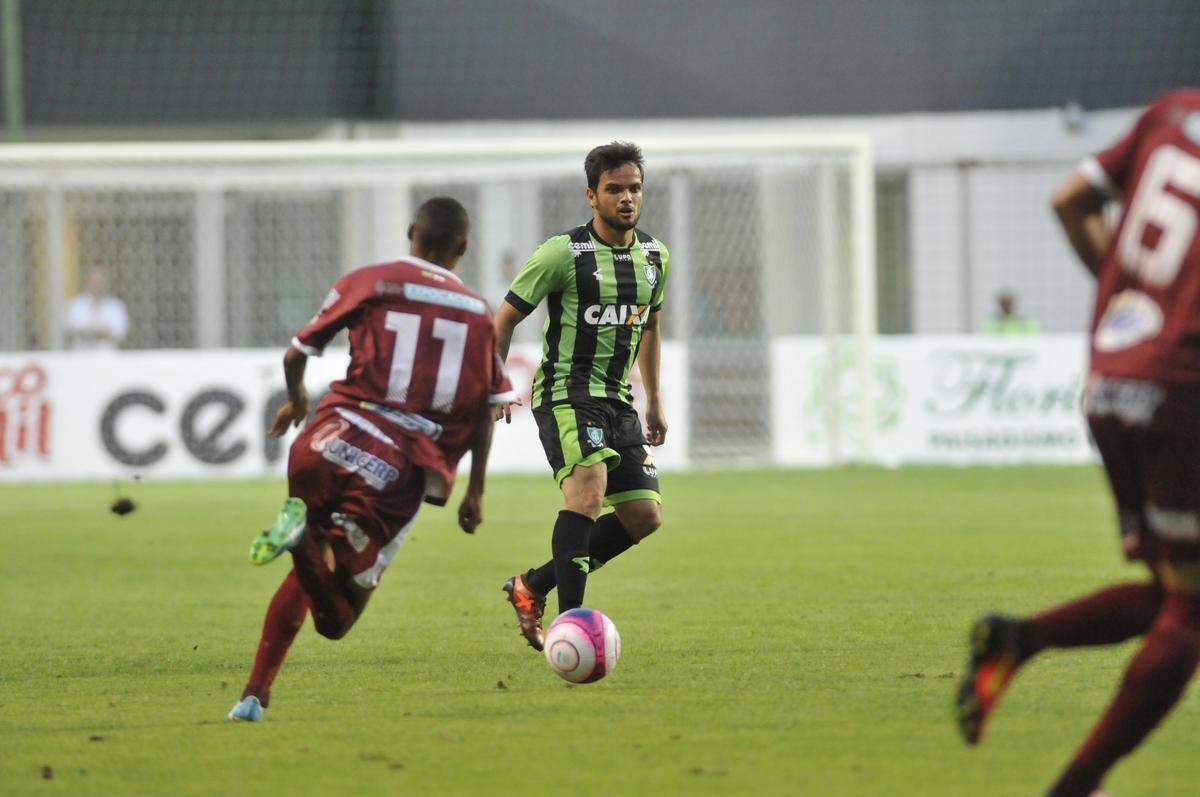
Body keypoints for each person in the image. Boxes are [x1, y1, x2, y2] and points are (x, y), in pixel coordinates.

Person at [956, 89, 1200, 796]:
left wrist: (1142, 313)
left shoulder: (1170, 112)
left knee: (1175, 590)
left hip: (1113, 380)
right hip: (1184, 393)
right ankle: (1076, 786)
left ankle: (1017, 637)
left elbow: (1070, 199)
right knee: (1189, 608)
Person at [228, 197, 514, 722]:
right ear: (464, 247)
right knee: (337, 619)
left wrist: (296, 399)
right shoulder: (476, 313)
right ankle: (300, 541)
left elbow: (297, 354)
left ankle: (254, 693)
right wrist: (475, 490)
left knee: (312, 565)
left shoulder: (371, 279)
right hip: (393, 468)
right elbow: (483, 411)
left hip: (323, 439)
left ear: (411, 232)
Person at [494, 141, 670, 651]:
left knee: (644, 517)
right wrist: (495, 382)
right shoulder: (563, 254)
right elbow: (504, 320)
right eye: (614, 190)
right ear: (591, 196)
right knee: (587, 494)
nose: (627, 199)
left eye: (634, 188)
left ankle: (532, 585)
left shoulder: (655, 256)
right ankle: (573, 629)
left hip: (618, 401)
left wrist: (654, 400)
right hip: (567, 394)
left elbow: (651, 330)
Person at [64, 267, 128, 349]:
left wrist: (89, 332)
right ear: (87, 282)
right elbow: (71, 328)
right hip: (80, 355)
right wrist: (101, 332)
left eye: (101, 282)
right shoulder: (75, 305)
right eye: (94, 282)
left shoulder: (116, 306)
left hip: (107, 356)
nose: (97, 286)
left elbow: (119, 332)